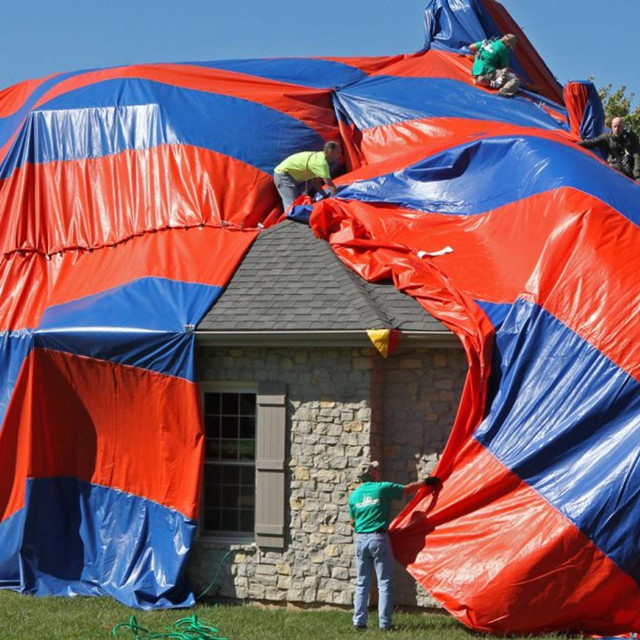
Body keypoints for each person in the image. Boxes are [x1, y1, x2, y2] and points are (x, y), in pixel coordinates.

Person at [348, 460, 441, 631]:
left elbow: (352, 521)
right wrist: (427, 483)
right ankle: (384, 624)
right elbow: (407, 489)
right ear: (372, 474)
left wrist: (363, 524)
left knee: (362, 583)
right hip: (378, 539)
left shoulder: (354, 495)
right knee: (384, 583)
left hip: (361, 540)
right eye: (376, 469)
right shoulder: (381, 487)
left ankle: (359, 623)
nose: (378, 470)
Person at [273, 141, 341, 211]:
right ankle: (290, 219)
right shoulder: (321, 163)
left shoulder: (320, 157)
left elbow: (316, 182)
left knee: (298, 202)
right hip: (283, 175)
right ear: (330, 152)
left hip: (293, 176)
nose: (339, 155)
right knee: (292, 206)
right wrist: (338, 202)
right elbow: (331, 186)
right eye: (338, 152)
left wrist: (325, 196)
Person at [578, 116, 640, 182]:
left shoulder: (631, 137)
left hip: (632, 166)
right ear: (612, 127)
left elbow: (637, 155)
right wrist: (574, 144)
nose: (617, 129)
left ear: (623, 127)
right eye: (615, 127)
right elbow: (591, 142)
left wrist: (637, 175)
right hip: (618, 166)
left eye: (619, 126)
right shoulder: (607, 137)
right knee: (611, 167)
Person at [469, 34, 521, 98]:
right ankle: (503, 93)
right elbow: (504, 67)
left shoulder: (489, 42)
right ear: (508, 43)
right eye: (509, 46)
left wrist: (478, 56)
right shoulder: (503, 49)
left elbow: (471, 47)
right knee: (515, 80)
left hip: (475, 74)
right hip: (484, 78)